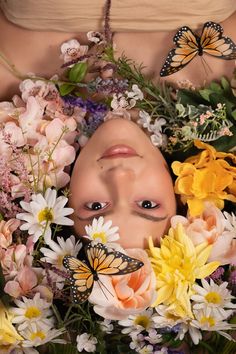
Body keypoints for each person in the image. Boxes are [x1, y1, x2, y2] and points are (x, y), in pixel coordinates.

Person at [0, 0, 236, 101]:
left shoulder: (19, 89)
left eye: (96, 206)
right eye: (147, 204)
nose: (120, 176)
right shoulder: (217, 91)